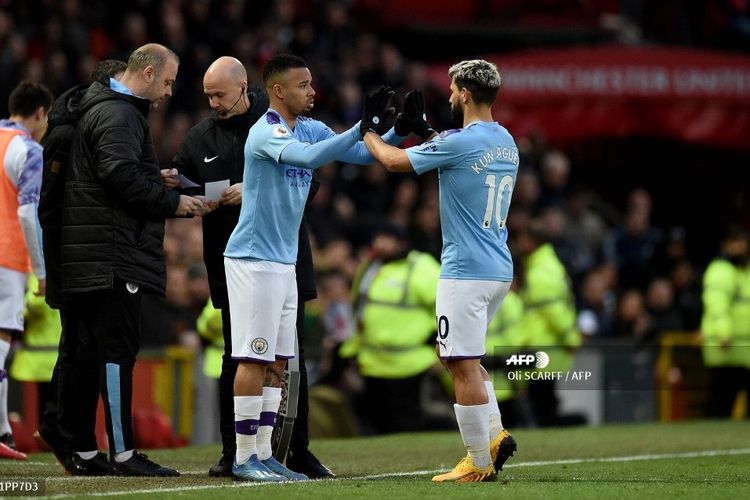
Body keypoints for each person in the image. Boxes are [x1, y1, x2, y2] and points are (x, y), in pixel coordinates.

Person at [223, 53, 402, 482]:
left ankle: (264, 454)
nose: (312, 91)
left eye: (312, 83)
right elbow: (309, 158)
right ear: (279, 90)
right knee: (253, 358)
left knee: (279, 363)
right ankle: (244, 457)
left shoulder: (309, 126)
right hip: (253, 259)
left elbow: (359, 154)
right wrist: (362, 126)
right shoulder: (264, 132)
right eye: (303, 85)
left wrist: (396, 131)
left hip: (283, 262)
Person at [171, 56, 332, 478]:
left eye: (219, 94)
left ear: (244, 87)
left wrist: (256, 190)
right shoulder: (199, 139)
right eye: (207, 95)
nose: (213, 103)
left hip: (285, 257)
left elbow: (308, 178)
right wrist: (180, 190)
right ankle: (237, 452)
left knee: (286, 360)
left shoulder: (277, 120)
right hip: (237, 261)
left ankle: (293, 450)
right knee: (240, 356)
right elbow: (183, 187)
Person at [362, 59, 519, 483]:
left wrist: (369, 132)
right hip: (497, 267)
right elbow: (461, 159)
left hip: (465, 270)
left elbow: (394, 162)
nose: (449, 96)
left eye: (452, 90)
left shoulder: (464, 142)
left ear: (465, 94)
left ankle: (478, 463)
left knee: (460, 360)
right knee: (458, 357)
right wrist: (429, 133)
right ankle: (494, 434)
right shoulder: (505, 140)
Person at [61, 43, 204, 476]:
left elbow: (112, 172)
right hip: (112, 255)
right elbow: (118, 175)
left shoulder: (103, 109)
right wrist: (172, 203)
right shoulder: (121, 114)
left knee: (87, 354)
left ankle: (84, 452)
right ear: (145, 74)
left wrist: (149, 176)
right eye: (165, 81)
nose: (167, 92)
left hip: (90, 252)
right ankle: (123, 453)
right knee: (116, 353)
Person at [34, 59, 128, 475]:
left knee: (77, 346)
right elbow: (49, 206)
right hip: (72, 257)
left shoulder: (80, 125)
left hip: (80, 254)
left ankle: (61, 428)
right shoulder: (68, 132)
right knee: (78, 349)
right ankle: (66, 434)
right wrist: (58, 265)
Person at [339, 223, 442, 434]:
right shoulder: (369, 267)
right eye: (378, 237)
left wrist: (440, 347)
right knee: (376, 425)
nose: (380, 243)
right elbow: (359, 309)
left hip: (410, 364)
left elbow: (444, 308)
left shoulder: (422, 266)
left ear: (402, 242)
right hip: (371, 362)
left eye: (387, 238)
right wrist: (351, 351)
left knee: (407, 424)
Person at [0, 80, 53, 461]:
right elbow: (26, 212)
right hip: (8, 258)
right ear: (39, 113)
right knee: (1, 343)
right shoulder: (28, 150)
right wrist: (41, 270)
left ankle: (3, 430)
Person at [515, 220, 582, 426]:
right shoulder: (547, 266)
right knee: (544, 401)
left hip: (543, 348)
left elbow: (555, 312)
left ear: (532, 242)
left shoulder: (540, 272)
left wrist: (572, 339)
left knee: (542, 405)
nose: (518, 244)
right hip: (547, 346)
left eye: (522, 239)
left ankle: (567, 430)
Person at [700, 227, 750, 417]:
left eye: (743, 242)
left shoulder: (744, 271)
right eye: (735, 242)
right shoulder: (721, 270)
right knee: (721, 401)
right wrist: (724, 333)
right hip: (727, 346)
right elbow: (717, 305)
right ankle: (710, 441)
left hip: (744, 349)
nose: (741, 247)